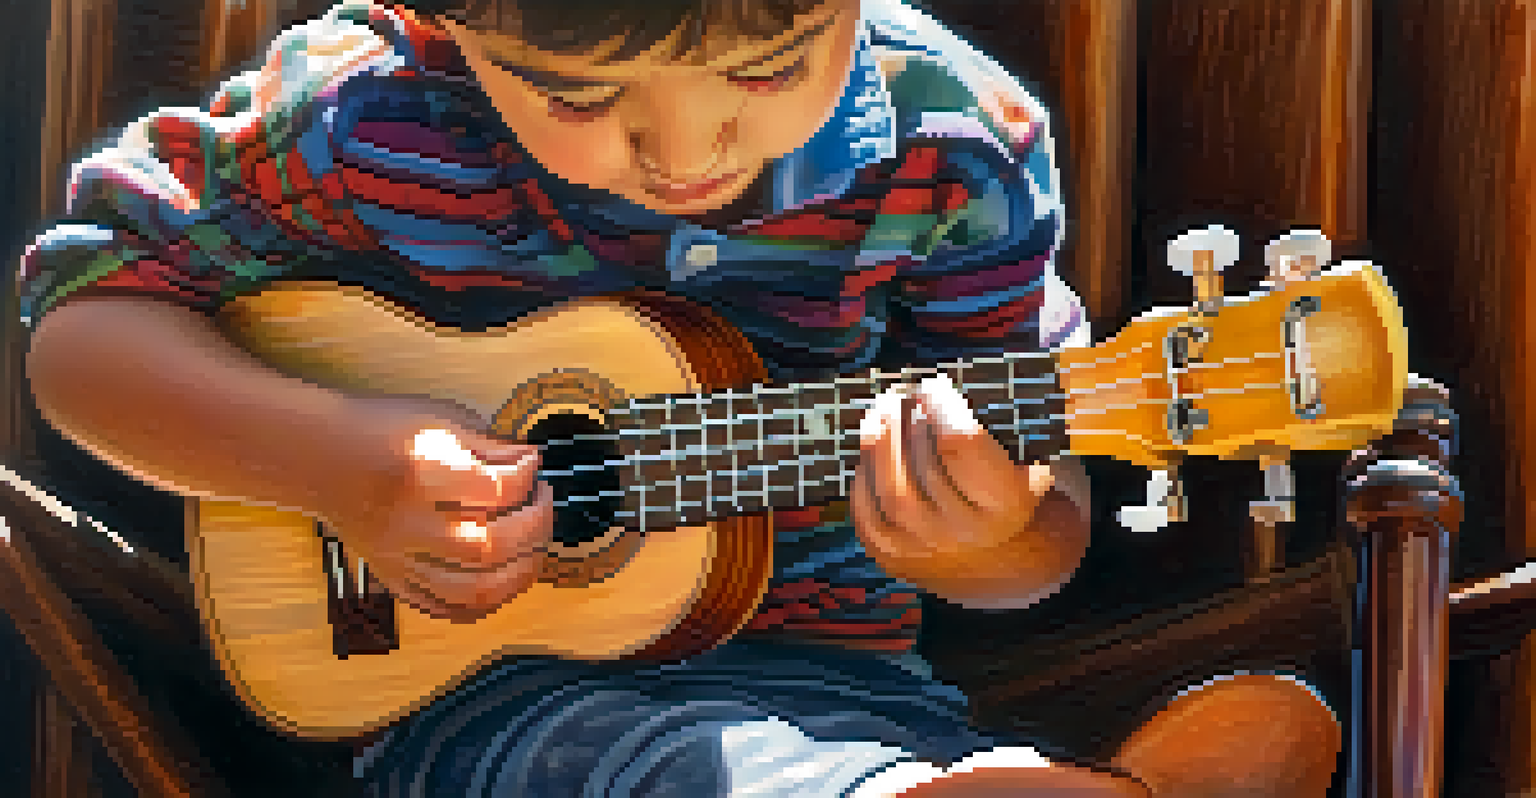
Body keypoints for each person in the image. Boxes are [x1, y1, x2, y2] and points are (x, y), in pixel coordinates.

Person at [17, 0, 1342, 794]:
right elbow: (83, 323)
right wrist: (339, 465)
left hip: (852, 695)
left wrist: (984, 532)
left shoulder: (951, 147)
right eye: (578, 96)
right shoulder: (361, 120)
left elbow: (1041, 519)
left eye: (767, 67)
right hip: (492, 707)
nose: (684, 150)